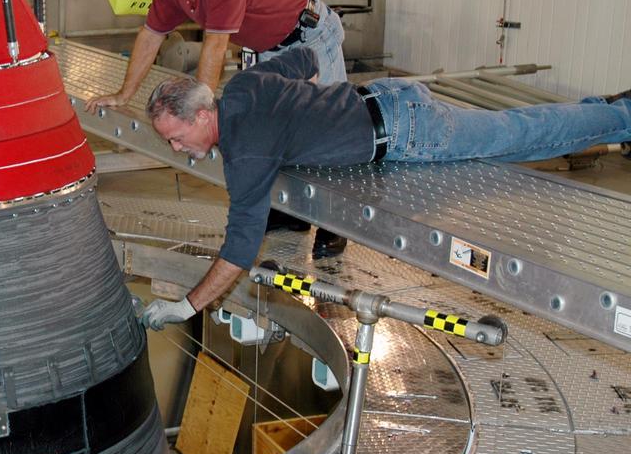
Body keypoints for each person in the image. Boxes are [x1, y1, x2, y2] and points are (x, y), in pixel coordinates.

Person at [138, 45, 631, 331]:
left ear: (201, 116)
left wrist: (187, 305)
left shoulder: (246, 155)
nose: (178, 149)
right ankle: (604, 113)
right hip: (386, 98)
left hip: (407, 132)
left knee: (517, 138)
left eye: (177, 138)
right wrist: (315, 116)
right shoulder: (243, 87)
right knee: (513, 138)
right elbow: (305, 58)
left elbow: (239, 250)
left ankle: (621, 115)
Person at [84, 0, 349, 256]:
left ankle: (336, 224)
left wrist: (200, 113)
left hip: (310, 35)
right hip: (271, 48)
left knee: (325, 127)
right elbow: (150, 36)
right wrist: (124, 93)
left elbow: (215, 46)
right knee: (275, 129)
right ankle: (292, 213)